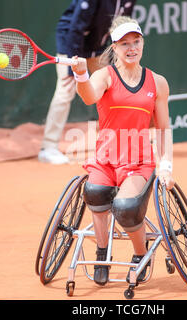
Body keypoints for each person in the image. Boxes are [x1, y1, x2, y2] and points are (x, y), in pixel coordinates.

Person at [70, 16, 175, 285]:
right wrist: (81, 75)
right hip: (105, 159)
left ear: (142, 43)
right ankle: (102, 252)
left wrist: (166, 165)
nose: (131, 48)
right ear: (113, 48)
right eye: (124, 43)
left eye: (136, 42)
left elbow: (163, 128)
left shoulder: (158, 83)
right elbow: (89, 96)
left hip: (138, 161)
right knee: (94, 192)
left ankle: (141, 255)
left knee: (126, 208)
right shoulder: (104, 75)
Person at [39, 0, 137, 164]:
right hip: (71, 43)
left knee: (114, 86)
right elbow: (76, 28)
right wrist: (73, 67)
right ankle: (48, 148)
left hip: (97, 46)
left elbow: (123, 26)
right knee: (66, 90)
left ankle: (123, 141)